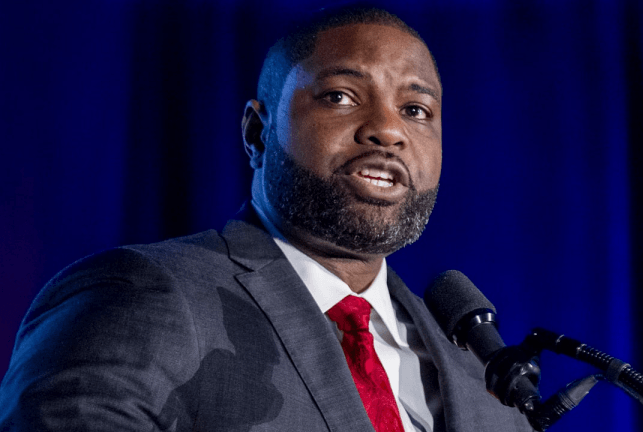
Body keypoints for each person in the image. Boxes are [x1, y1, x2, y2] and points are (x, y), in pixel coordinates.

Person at [0, 6, 533, 432]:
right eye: (341, 97)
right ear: (257, 134)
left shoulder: (481, 376)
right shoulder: (138, 296)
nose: (388, 131)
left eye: (416, 111)